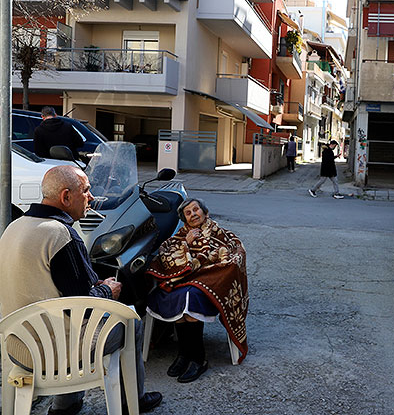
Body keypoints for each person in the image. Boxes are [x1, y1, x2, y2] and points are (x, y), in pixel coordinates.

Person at [0, 165, 162, 415]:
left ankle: (66, 405)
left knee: (62, 321)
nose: (92, 197)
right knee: (132, 323)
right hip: (54, 353)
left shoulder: (14, 226)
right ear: (66, 197)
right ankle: (132, 403)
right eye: (86, 190)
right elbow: (86, 306)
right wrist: (109, 291)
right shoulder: (60, 235)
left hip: (19, 345)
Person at [146, 198, 248, 383]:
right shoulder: (181, 235)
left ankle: (198, 359)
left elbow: (233, 253)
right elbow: (166, 254)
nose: (193, 214)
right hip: (184, 280)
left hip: (210, 281)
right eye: (188, 213)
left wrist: (205, 262)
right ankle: (184, 354)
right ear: (184, 219)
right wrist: (186, 244)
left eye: (196, 210)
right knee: (175, 295)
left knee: (190, 296)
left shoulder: (219, 233)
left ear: (205, 213)